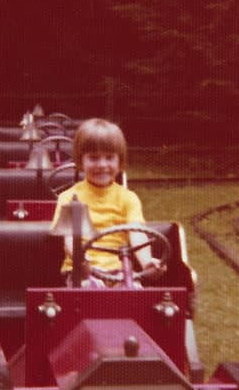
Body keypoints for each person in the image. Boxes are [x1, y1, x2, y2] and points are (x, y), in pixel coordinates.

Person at [51, 118, 166, 287]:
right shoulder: (69, 198)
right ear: (80, 160)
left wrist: (147, 262)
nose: (102, 165)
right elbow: (69, 239)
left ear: (120, 161)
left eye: (109, 158)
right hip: (81, 271)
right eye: (94, 158)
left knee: (134, 291)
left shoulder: (128, 198)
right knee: (90, 289)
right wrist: (79, 259)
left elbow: (137, 234)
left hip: (120, 271)